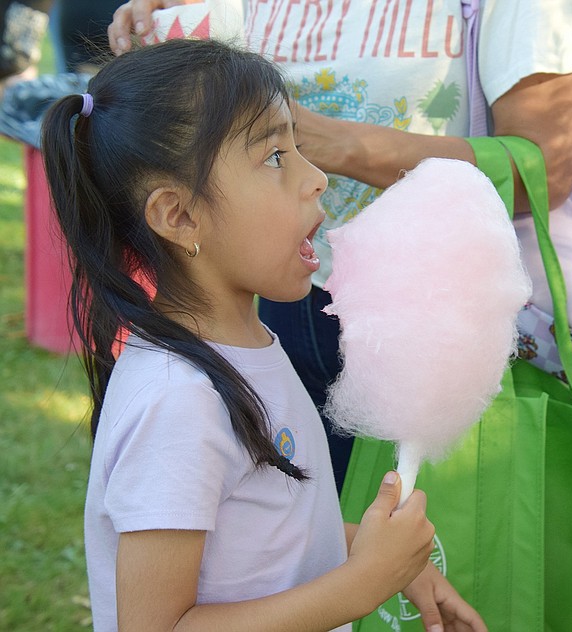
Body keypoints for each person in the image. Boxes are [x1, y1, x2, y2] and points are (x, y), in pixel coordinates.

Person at [41, 38, 486, 632]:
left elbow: (261, 538)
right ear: (180, 216)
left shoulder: (247, 352)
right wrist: (359, 586)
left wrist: (371, 553)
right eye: (276, 157)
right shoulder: (178, 400)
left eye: (300, 149)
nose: (317, 178)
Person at [108, 0, 572, 494]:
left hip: (430, 315)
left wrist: (338, 144)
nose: (314, 180)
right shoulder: (170, 401)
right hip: (280, 296)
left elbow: (547, 164)